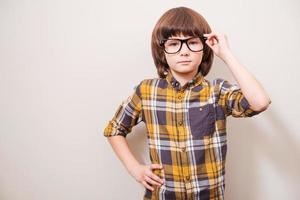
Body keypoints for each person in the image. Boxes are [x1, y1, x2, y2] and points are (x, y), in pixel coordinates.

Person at [103, 6, 271, 200]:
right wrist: (134, 169)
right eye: (174, 44)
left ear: (204, 48)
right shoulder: (146, 91)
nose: (184, 51)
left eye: (192, 42)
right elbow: (114, 129)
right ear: (162, 50)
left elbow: (260, 102)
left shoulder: (218, 91)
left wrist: (225, 54)